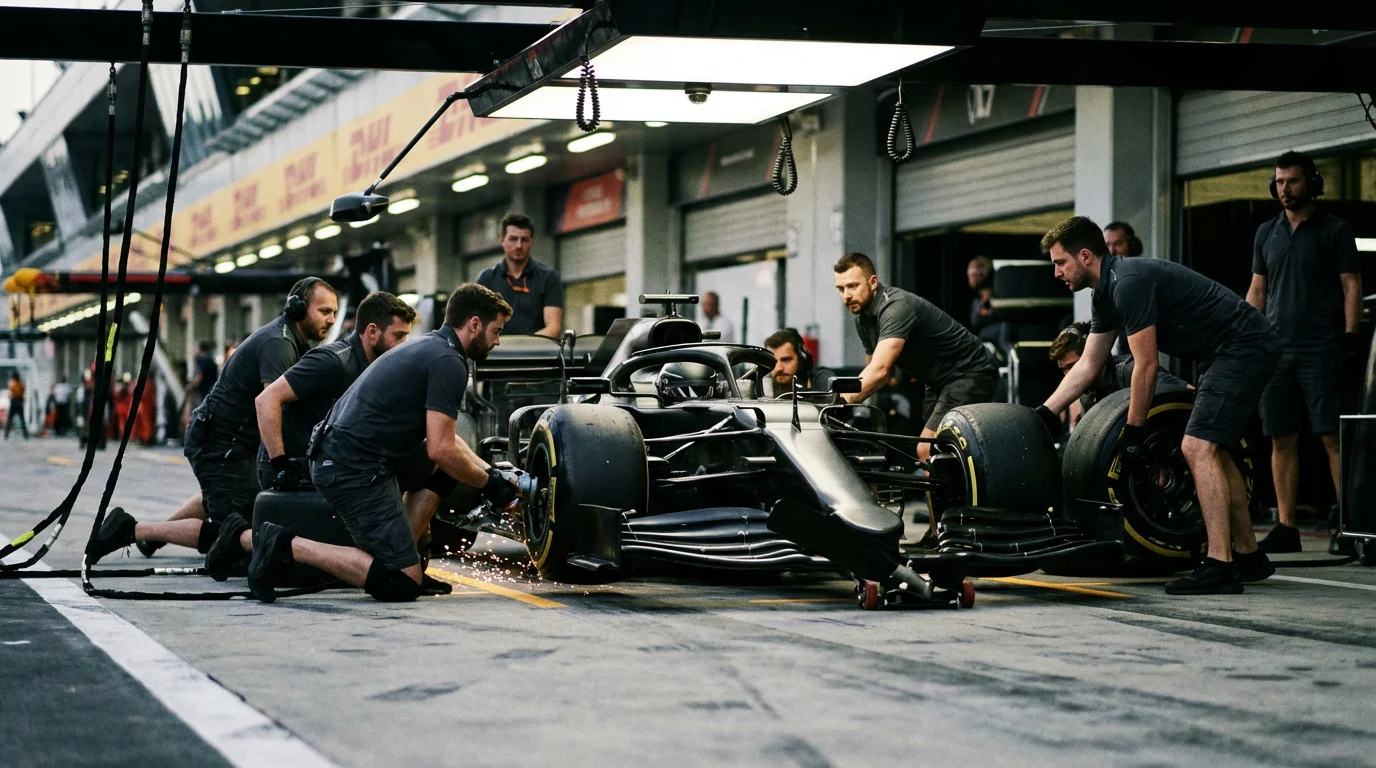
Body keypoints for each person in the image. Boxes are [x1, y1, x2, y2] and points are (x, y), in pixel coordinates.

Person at [1034, 216, 1280, 595]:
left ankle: (1220, 565)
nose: (1056, 273)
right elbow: (1089, 363)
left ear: (1085, 256)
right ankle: (1248, 555)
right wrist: (1045, 414)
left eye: (1059, 262)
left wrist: (1133, 433)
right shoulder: (1105, 294)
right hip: (1223, 353)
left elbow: (1147, 366)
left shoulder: (1128, 284)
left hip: (1241, 346)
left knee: (1196, 447)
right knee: (1215, 451)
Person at [244, 283, 521, 603]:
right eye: (496, 331)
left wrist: (496, 474)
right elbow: (441, 449)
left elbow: (446, 440)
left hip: (362, 457)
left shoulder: (433, 347)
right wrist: (490, 486)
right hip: (351, 467)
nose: (498, 340)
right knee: (400, 584)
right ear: (474, 324)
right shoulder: (448, 361)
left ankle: (407, 556)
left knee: (444, 471)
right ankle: (283, 544)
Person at [85, 277, 338, 565]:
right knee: (232, 532)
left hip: (231, 443)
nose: (331, 319)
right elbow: (271, 402)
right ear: (297, 308)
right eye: (324, 311)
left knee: (221, 498)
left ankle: (154, 535)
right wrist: (280, 463)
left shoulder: (292, 341)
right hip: (220, 443)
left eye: (333, 312)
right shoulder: (278, 344)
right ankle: (130, 529)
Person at [197, 292, 418, 579]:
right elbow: (266, 400)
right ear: (373, 332)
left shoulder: (375, 367)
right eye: (399, 336)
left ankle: (408, 559)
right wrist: (280, 463)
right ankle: (240, 538)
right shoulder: (332, 361)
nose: (403, 345)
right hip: (295, 463)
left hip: (328, 459)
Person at [1246, 151, 1363, 557]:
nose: (1284, 189)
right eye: (1279, 182)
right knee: (1282, 438)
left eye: (1292, 181)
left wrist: (1350, 335)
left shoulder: (1335, 230)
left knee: (1332, 437)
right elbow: (1257, 290)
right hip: (1276, 350)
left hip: (1321, 347)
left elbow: (1351, 285)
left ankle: (1352, 525)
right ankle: (1286, 526)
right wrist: (1246, 333)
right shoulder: (1266, 233)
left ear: (1310, 183)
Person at [833, 252, 998, 463]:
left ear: (873, 282)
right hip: (936, 382)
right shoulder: (863, 321)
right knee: (932, 456)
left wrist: (835, 403)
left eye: (853, 286)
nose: (846, 295)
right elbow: (872, 372)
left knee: (927, 449)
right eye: (841, 289)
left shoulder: (895, 307)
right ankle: (948, 495)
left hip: (969, 372)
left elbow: (880, 371)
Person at [1048, 321, 1192, 430]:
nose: (1068, 375)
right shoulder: (1087, 396)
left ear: (1096, 357)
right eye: (1063, 369)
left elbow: (1189, 394)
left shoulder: (1130, 371)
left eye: (1073, 367)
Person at [474, 213, 563, 337]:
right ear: (502, 240)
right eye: (513, 239)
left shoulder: (549, 278)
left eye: (524, 240)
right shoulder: (487, 278)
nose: (519, 245)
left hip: (535, 354)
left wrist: (522, 347)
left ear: (532, 242)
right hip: (496, 353)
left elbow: (553, 328)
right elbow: (476, 324)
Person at [763, 328, 836, 396]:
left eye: (786, 360)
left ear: (801, 359)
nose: (778, 368)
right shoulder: (763, 381)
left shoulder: (819, 378)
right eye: (773, 361)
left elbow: (843, 394)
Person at [5, 372, 28, 440]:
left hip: (14, 402)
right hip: (20, 403)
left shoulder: (13, 384)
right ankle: (25, 435)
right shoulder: (21, 384)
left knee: (10, 419)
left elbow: (11, 391)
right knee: (22, 420)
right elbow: (23, 390)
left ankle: (6, 435)